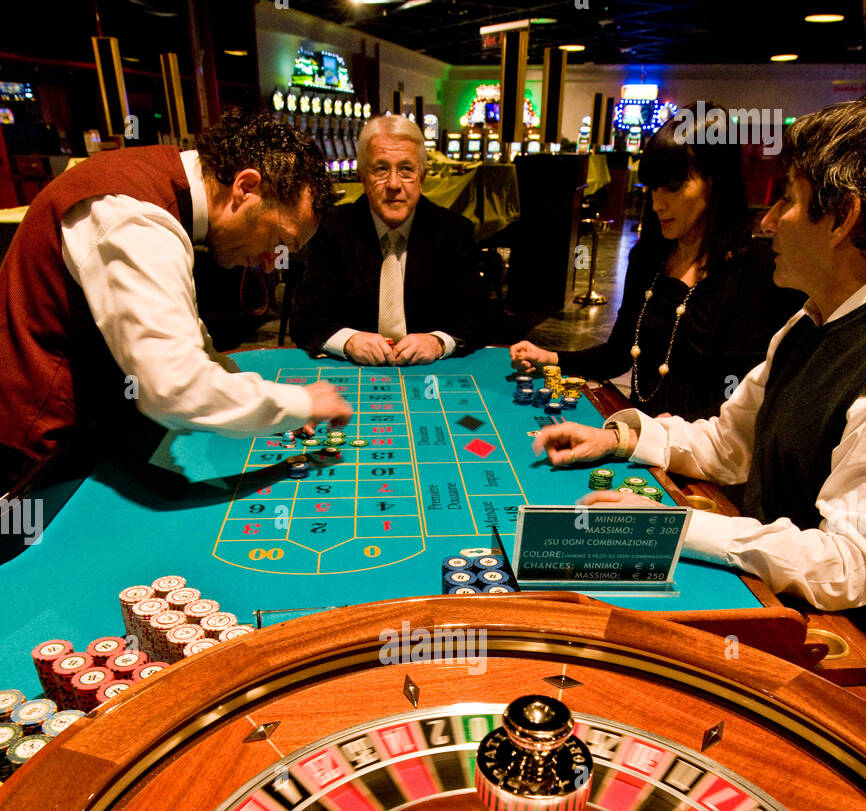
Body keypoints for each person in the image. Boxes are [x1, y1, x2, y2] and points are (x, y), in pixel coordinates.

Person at [533, 97, 866, 615]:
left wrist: (678, 529)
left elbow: (848, 566)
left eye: (788, 201)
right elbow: (730, 445)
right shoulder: (805, 327)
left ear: (842, 217)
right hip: (763, 598)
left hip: (818, 655)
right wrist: (620, 437)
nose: (769, 223)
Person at [0, 108, 352, 495]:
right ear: (246, 187)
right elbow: (174, 386)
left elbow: (185, 336)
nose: (272, 264)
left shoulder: (162, 186)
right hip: (33, 451)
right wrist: (300, 401)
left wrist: (262, 400)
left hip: (84, 432)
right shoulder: (137, 220)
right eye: (279, 242)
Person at [511, 102, 803, 420]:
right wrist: (551, 356)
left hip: (702, 456)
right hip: (638, 439)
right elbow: (619, 354)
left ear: (716, 181)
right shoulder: (647, 258)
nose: (657, 203)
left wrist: (680, 432)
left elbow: (751, 394)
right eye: (653, 188)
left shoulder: (759, 270)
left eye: (673, 188)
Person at [290, 114, 477, 366]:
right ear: (363, 177)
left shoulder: (454, 231)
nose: (393, 184)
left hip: (430, 373)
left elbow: (478, 317)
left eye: (406, 169)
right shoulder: (333, 229)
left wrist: (438, 342)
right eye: (381, 169)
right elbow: (305, 319)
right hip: (355, 373)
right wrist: (350, 341)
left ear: (422, 177)